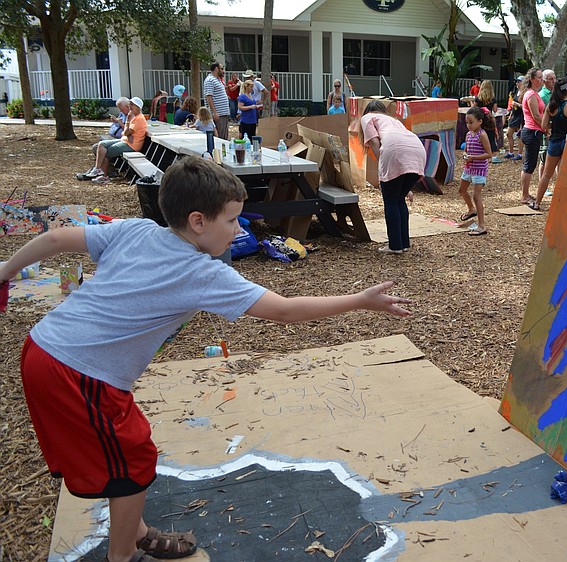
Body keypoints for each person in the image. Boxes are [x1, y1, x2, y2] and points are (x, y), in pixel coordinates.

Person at [0, 156, 411, 562]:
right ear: (198, 221)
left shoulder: (137, 230)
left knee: (123, 452)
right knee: (132, 461)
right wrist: (359, 300)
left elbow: (56, 240)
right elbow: (285, 310)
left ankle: (135, 532)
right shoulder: (200, 272)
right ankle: (122, 555)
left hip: (44, 346)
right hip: (77, 372)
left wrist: (4, 271)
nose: (239, 229)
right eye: (231, 220)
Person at [360, 100, 427, 254]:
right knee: (399, 199)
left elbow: (374, 143)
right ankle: (403, 243)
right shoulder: (393, 120)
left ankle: (395, 245)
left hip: (395, 150)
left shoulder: (367, 118)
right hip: (417, 150)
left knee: (390, 201)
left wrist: (383, 170)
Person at [531, 78, 567, 210]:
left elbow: (544, 126)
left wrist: (555, 123)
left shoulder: (551, 106)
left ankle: (537, 203)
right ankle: (564, 204)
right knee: (566, 175)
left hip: (554, 141)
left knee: (546, 175)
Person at [88, 97, 148, 185]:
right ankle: (97, 169)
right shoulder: (134, 117)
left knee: (105, 152)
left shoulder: (139, 119)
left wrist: (127, 121)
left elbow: (126, 132)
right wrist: (127, 131)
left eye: (132, 105)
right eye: (130, 104)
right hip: (125, 141)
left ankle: (104, 176)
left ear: (138, 107)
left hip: (132, 145)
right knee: (101, 144)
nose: (130, 107)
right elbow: (126, 133)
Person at [458, 107, 493, 236]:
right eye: (467, 122)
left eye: (471, 122)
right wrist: (465, 155)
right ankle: (471, 209)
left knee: (476, 196)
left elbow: (489, 154)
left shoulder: (482, 135)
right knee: (462, 190)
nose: (469, 125)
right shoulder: (468, 134)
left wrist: (473, 158)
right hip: (469, 168)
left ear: (480, 121)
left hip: (479, 170)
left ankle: (482, 225)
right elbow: (466, 150)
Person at [519, 67, 545, 205]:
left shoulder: (534, 93)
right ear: (532, 79)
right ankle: (524, 195)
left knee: (530, 164)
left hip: (534, 131)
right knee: (529, 165)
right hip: (531, 131)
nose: (541, 80)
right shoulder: (530, 94)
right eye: (539, 77)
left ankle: (526, 193)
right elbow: (536, 116)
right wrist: (547, 128)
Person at [204, 62, 230, 140]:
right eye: (221, 69)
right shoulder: (210, 80)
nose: (223, 71)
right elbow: (209, 97)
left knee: (224, 137)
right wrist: (215, 112)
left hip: (223, 113)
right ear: (216, 69)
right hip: (218, 114)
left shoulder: (218, 80)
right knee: (219, 137)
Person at [504, 76, 525, 161]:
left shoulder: (525, 93)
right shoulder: (516, 92)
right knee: (509, 133)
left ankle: (519, 153)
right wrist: (511, 114)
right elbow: (513, 105)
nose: (517, 83)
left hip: (522, 116)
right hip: (515, 115)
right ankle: (511, 152)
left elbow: (526, 106)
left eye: (519, 82)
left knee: (520, 135)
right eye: (517, 82)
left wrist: (517, 104)